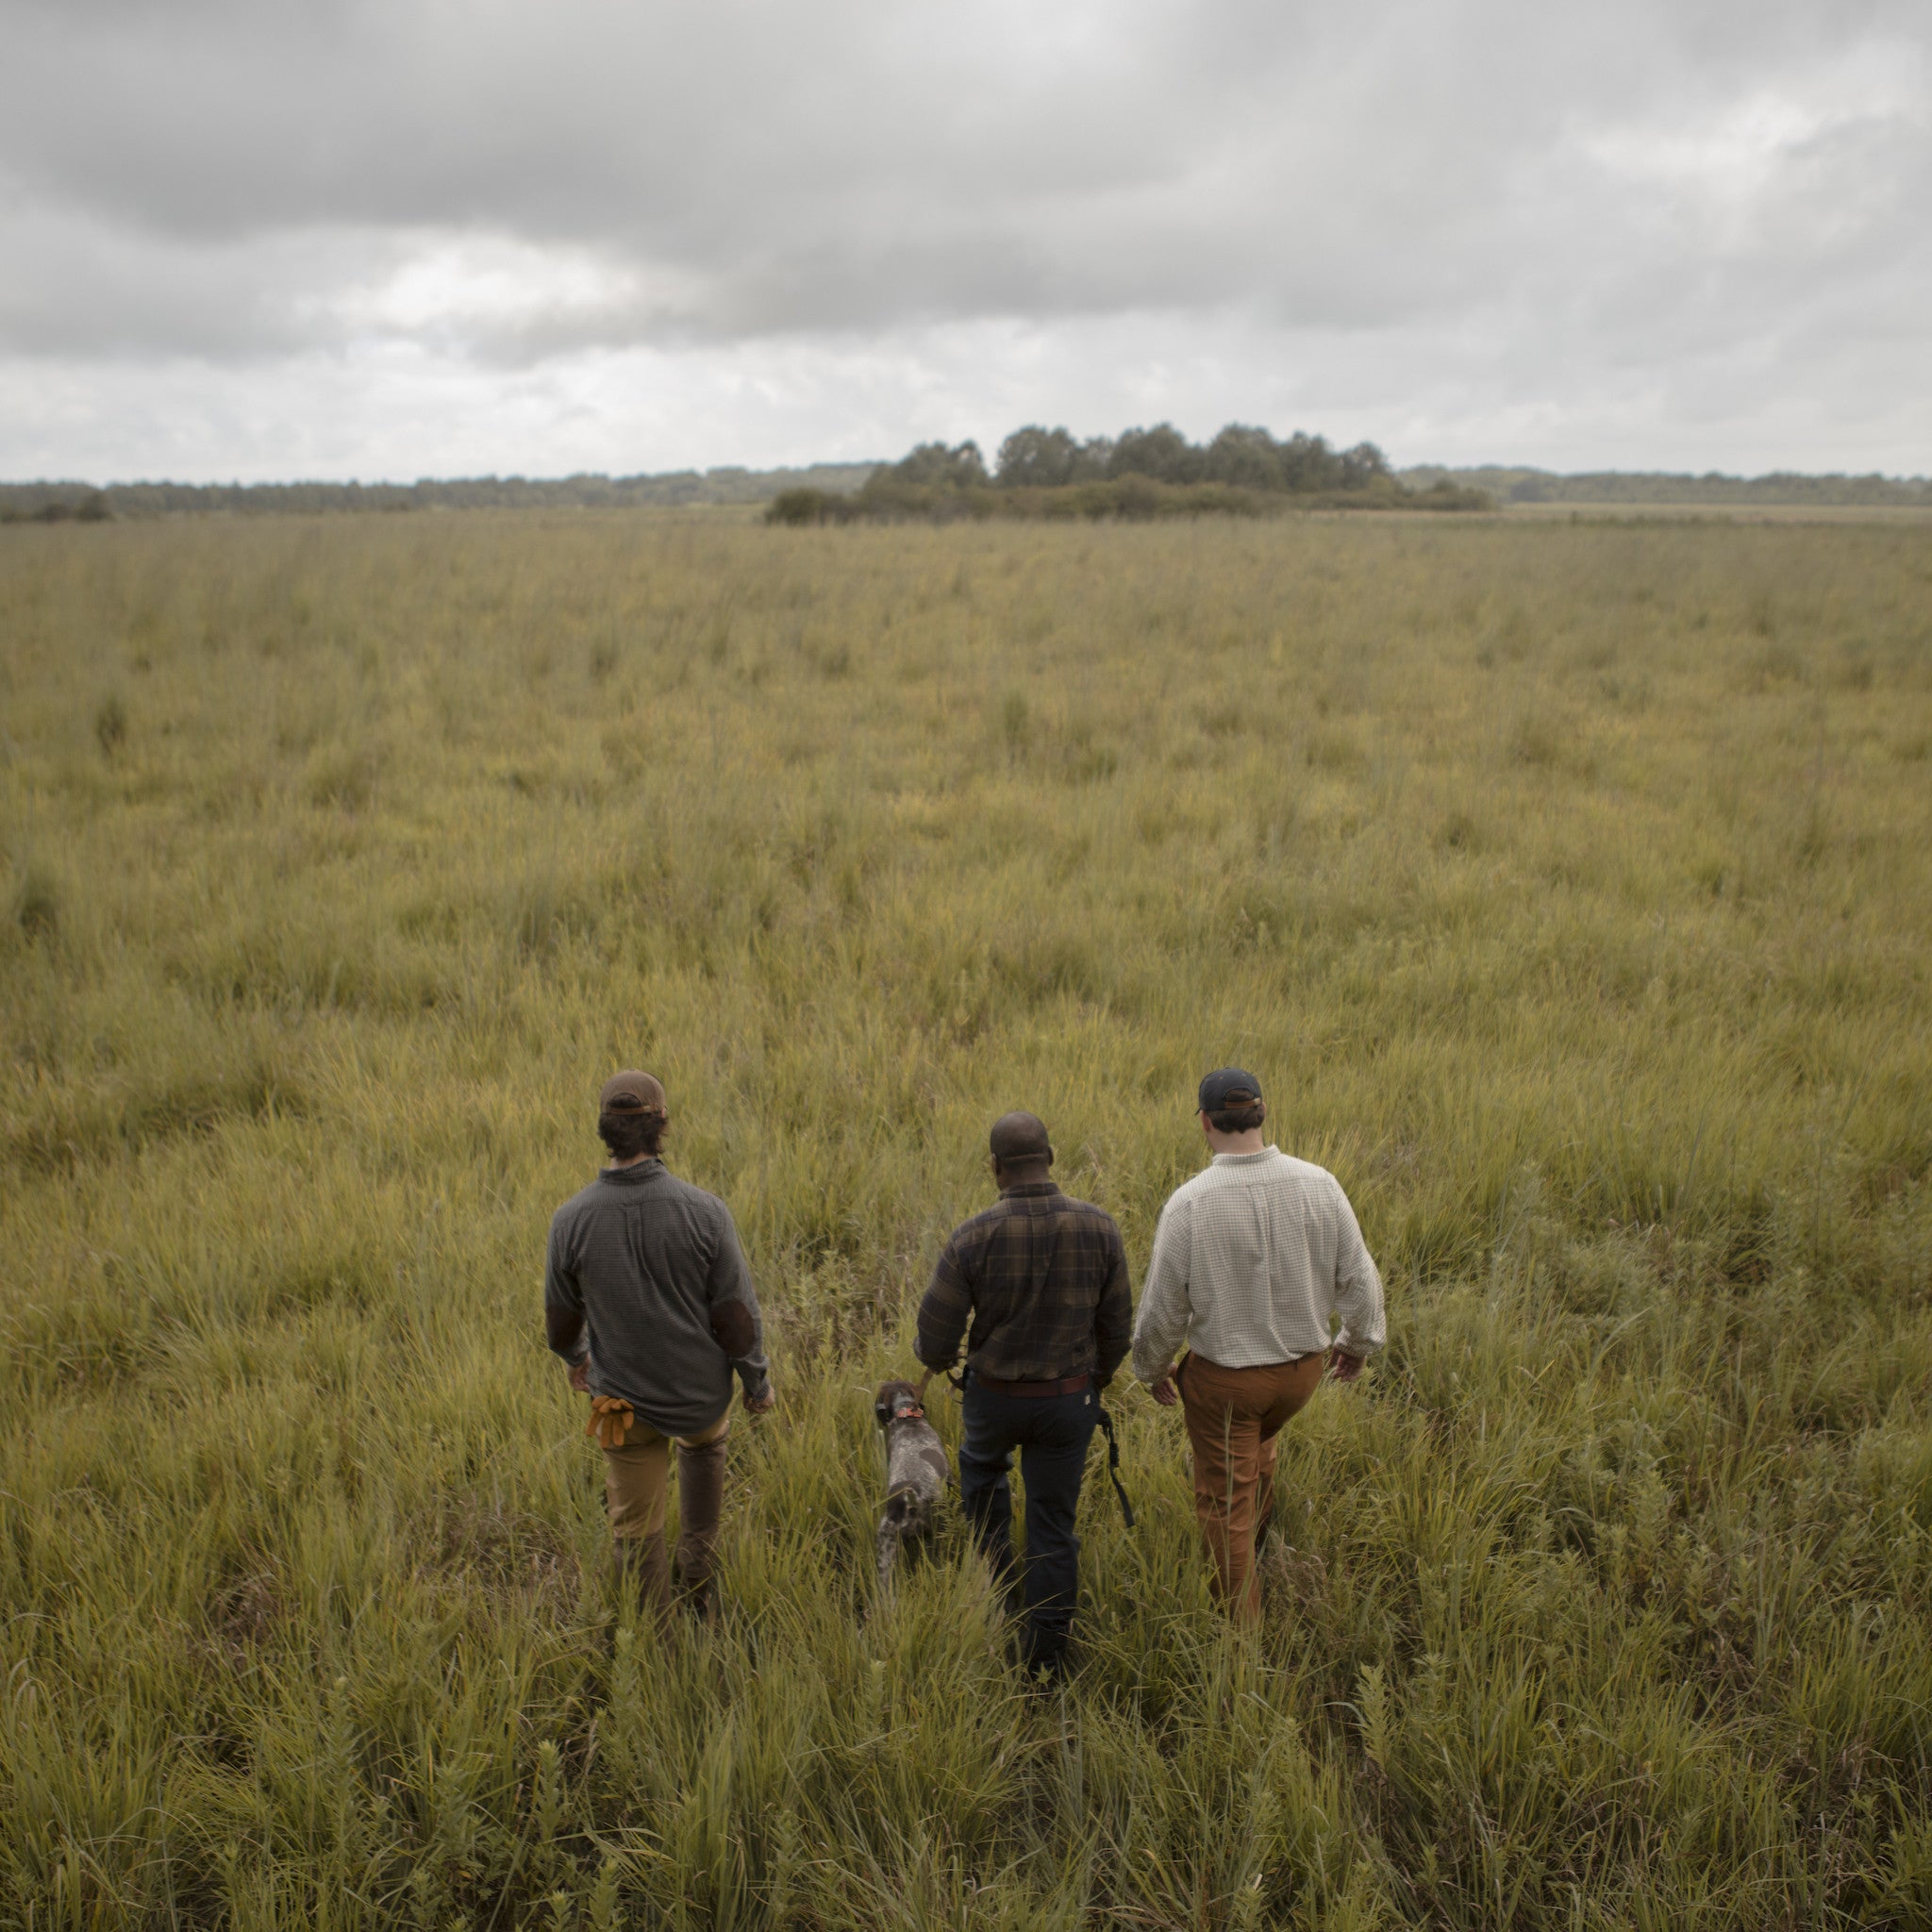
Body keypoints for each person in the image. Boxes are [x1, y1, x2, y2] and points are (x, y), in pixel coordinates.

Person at [1132, 1068, 1384, 1625]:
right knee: (1259, 1442)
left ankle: (1239, 1642)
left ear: (1205, 1123)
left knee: (1223, 1506)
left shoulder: (1190, 1205)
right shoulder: (1321, 1183)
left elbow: (1162, 1309)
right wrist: (1358, 1343)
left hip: (1224, 1384)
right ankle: (1262, 1541)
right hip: (1301, 1377)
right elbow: (1361, 1280)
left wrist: (1151, 1369)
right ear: (1262, 1113)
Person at [543, 1071, 774, 1621]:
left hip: (622, 1405)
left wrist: (579, 1360)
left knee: (635, 1531)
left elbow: (559, 1326)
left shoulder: (569, 1220)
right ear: (661, 1125)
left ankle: (657, 1644)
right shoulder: (705, 1212)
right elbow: (736, 1319)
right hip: (699, 1397)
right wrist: (757, 1383)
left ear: (604, 1130)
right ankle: (699, 1580)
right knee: (704, 1448)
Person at [915, 1111, 1132, 1679]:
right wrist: (1092, 1384)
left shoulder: (971, 1236)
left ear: (995, 1168)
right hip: (1067, 1401)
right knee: (1053, 1526)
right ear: (1051, 1157)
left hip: (993, 1399)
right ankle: (1046, 1665)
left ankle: (997, 1595)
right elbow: (1118, 1329)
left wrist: (941, 1363)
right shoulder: (1100, 1227)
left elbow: (935, 1339)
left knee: (983, 1484)